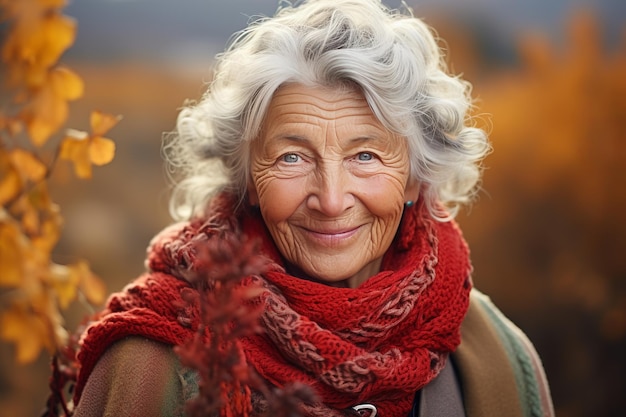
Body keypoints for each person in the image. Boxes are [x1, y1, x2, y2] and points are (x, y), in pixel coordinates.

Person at [63, 0, 554, 416]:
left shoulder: (498, 360)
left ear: (415, 176)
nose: (332, 199)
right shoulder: (151, 363)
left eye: (366, 155)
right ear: (248, 179)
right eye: (292, 157)